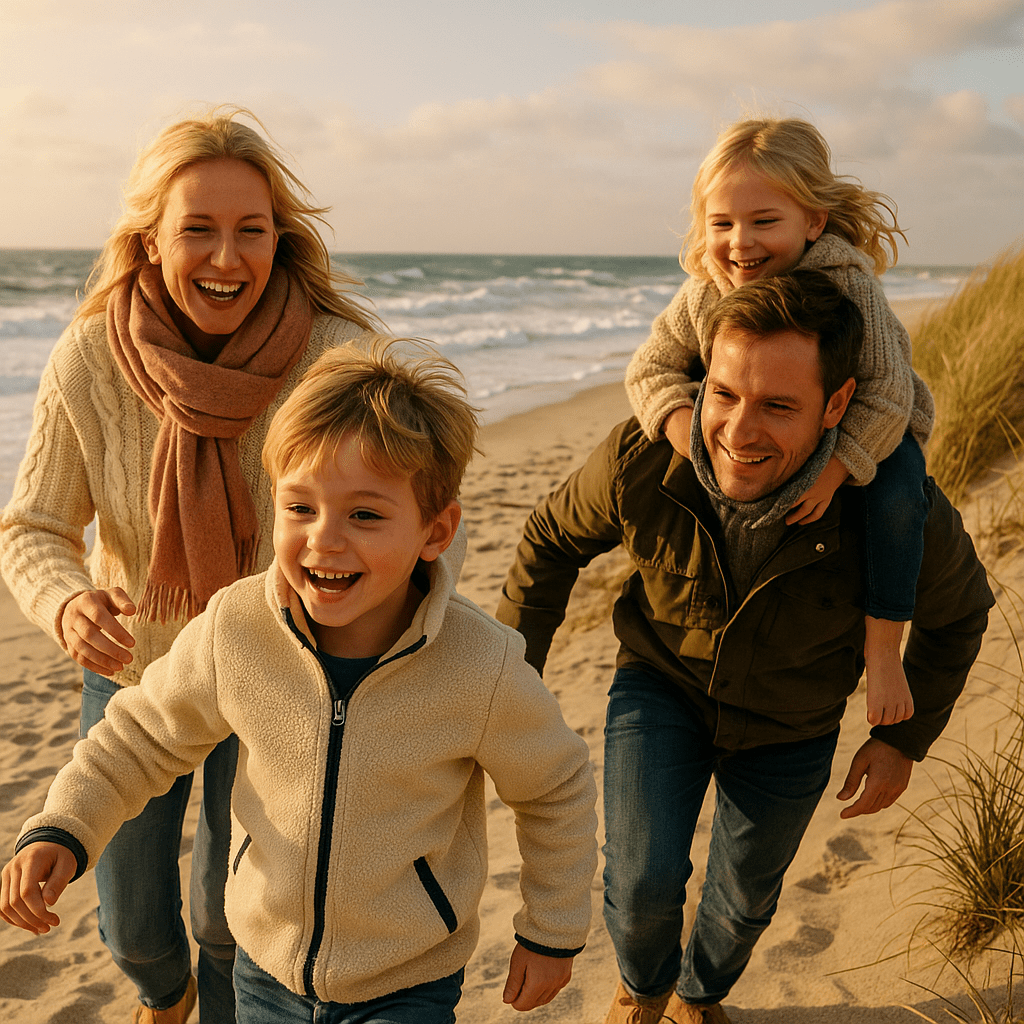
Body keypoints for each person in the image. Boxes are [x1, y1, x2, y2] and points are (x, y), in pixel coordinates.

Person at [0, 338, 599, 1024]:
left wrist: (551, 929)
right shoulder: (237, 627)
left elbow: (555, 788)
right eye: (300, 508)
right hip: (265, 970)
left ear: (437, 531)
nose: (324, 540)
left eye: (365, 514)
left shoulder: (480, 664)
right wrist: (62, 826)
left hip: (407, 980)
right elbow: (138, 738)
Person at [496, 271, 992, 1024]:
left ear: (837, 406)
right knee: (639, 884)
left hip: (793, 725)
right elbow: (549, 540)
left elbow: (959, 615)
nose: (738, 430)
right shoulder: (645, 451)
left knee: (743, 898)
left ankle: (700, 998)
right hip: (660, 686)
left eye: (777, 406)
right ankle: (643, 989)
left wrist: (901, 739)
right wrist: (513, 687)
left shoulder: (892, 510)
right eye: (724, 394)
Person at [0, 107, 383, 1024]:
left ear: (279, 239)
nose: (225, 258)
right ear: (149, 242)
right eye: (197, 231)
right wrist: (63, 604)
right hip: (136, 672)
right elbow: (33, 527)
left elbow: (392, 511)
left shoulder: (334, 359)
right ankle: (160, 1000)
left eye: (251, 231)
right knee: (132, 924)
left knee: (225, 910)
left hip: (276, 673)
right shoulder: (92, 356)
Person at [624, 116, 935, 728]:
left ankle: (882, 646)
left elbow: (889, 395)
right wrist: (688, 431)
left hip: (874, 425)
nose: (741, 243)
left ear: (812, 222)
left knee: (898, 502)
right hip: (769, 417)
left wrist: (833, 475)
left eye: (765, 222)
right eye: (722, 224)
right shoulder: (707, 289)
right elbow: (649, 368)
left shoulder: (846, 283)